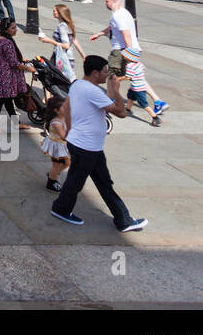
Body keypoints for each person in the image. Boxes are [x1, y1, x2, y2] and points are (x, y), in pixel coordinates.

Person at [50, 54, 148, 232]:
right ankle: (63, 209)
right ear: (95, 73)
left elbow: (69, 108)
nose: (107, 74)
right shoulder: (93, 91)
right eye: (104, 71)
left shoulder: (77, 84)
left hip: (83, 144)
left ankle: (122, 219)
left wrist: (69, 131)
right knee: (81, 182)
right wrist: (116, 91)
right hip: (87, 147)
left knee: (97, 182)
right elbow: (121, 112)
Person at [0, 18, 35, 129]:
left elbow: (7, 56)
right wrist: (29, 69)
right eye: (13, 28)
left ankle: (16, 124)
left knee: (8, 100)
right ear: (6, 29)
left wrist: (21, 59)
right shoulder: (7, 42)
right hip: (5, 75)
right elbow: (14, 64)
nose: (16, 30)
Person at [39, 3, 84, 81]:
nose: (53, 12)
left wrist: (49, 40)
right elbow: (74, 40)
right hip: (68, 56)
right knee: (63, 78)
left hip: (61, 57)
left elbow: (66, 45)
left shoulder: (62, 26)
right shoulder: (68, 25)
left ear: (60, 13)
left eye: (54, 11)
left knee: (51, 78)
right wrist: (83, 55)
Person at [40, 95, 70, 191]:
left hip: (61, 145)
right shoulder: (56, 123)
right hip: (56, 147)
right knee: (56, 165)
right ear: (56, 111)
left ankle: (52, 174)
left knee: (67, 163)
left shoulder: (63, 117)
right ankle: (51, 182)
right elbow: (63, 136)